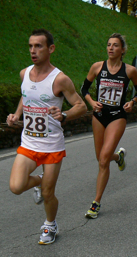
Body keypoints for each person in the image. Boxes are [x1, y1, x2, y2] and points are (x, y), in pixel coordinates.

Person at [7, 29, 87, 245]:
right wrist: (17, 114)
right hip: (29, 142)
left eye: (39, 46)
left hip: (51, 145)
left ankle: (50, 225)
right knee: (15, 186)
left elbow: (81, 106)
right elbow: (26, 96)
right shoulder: (24, 74)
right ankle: (40, 182)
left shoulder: (60, 79)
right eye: (31, 46)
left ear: (50, 49)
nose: (33, 51)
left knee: (48, 194)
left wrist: (65, 114)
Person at [80, 33, 137, 218]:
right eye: (108, 45)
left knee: (102, 159)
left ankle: (96, 202)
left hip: (117, 116)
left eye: (115, 45)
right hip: (99, 115)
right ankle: (119, 158)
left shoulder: (130, 70)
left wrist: (132, 102)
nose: (110, 48)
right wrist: (91, 102)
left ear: (122, 50)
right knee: (102, 157)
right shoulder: (97, 67)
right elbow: (84, 88)